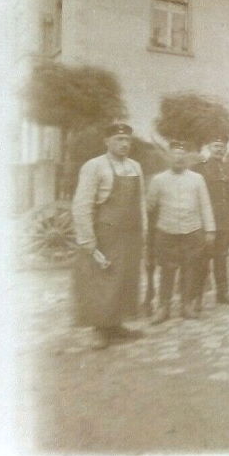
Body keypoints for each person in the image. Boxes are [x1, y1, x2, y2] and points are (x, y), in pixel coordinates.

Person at [71, 122, 147, 350]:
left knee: (126, 279)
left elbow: (141, 201)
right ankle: (100, 330)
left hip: (130, 233)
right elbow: (81, 205)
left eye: (127, 141)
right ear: (107, 141)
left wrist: (144, 230)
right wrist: (87, 239)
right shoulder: (94, 167)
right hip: (107, 234)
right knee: (104, 281)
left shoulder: (135, 167)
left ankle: (117, 325)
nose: (124, 145)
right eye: (118, 140)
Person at [147, 141, 216, 323]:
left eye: (181, 155)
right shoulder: (158, 180)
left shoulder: (196, 179)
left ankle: (186, 305)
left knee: (190, 268)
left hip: (192, 230)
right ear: (169, 157)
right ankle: (164, 307)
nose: (178, 158)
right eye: (174, 154)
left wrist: (210, 229)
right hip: (166, 231)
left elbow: (205, 204)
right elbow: (149, 206)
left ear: (186, 158)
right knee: (167, 270)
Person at [193, 134, 229, 308]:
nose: (219, 150)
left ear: (225, 149)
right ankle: (197, 297)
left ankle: (223, 293)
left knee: (221, 258)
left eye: (222, 147)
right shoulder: (200, 169)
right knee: (203, 259)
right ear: (209, 148)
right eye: (215, 146)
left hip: (225, 220)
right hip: (207, 221)